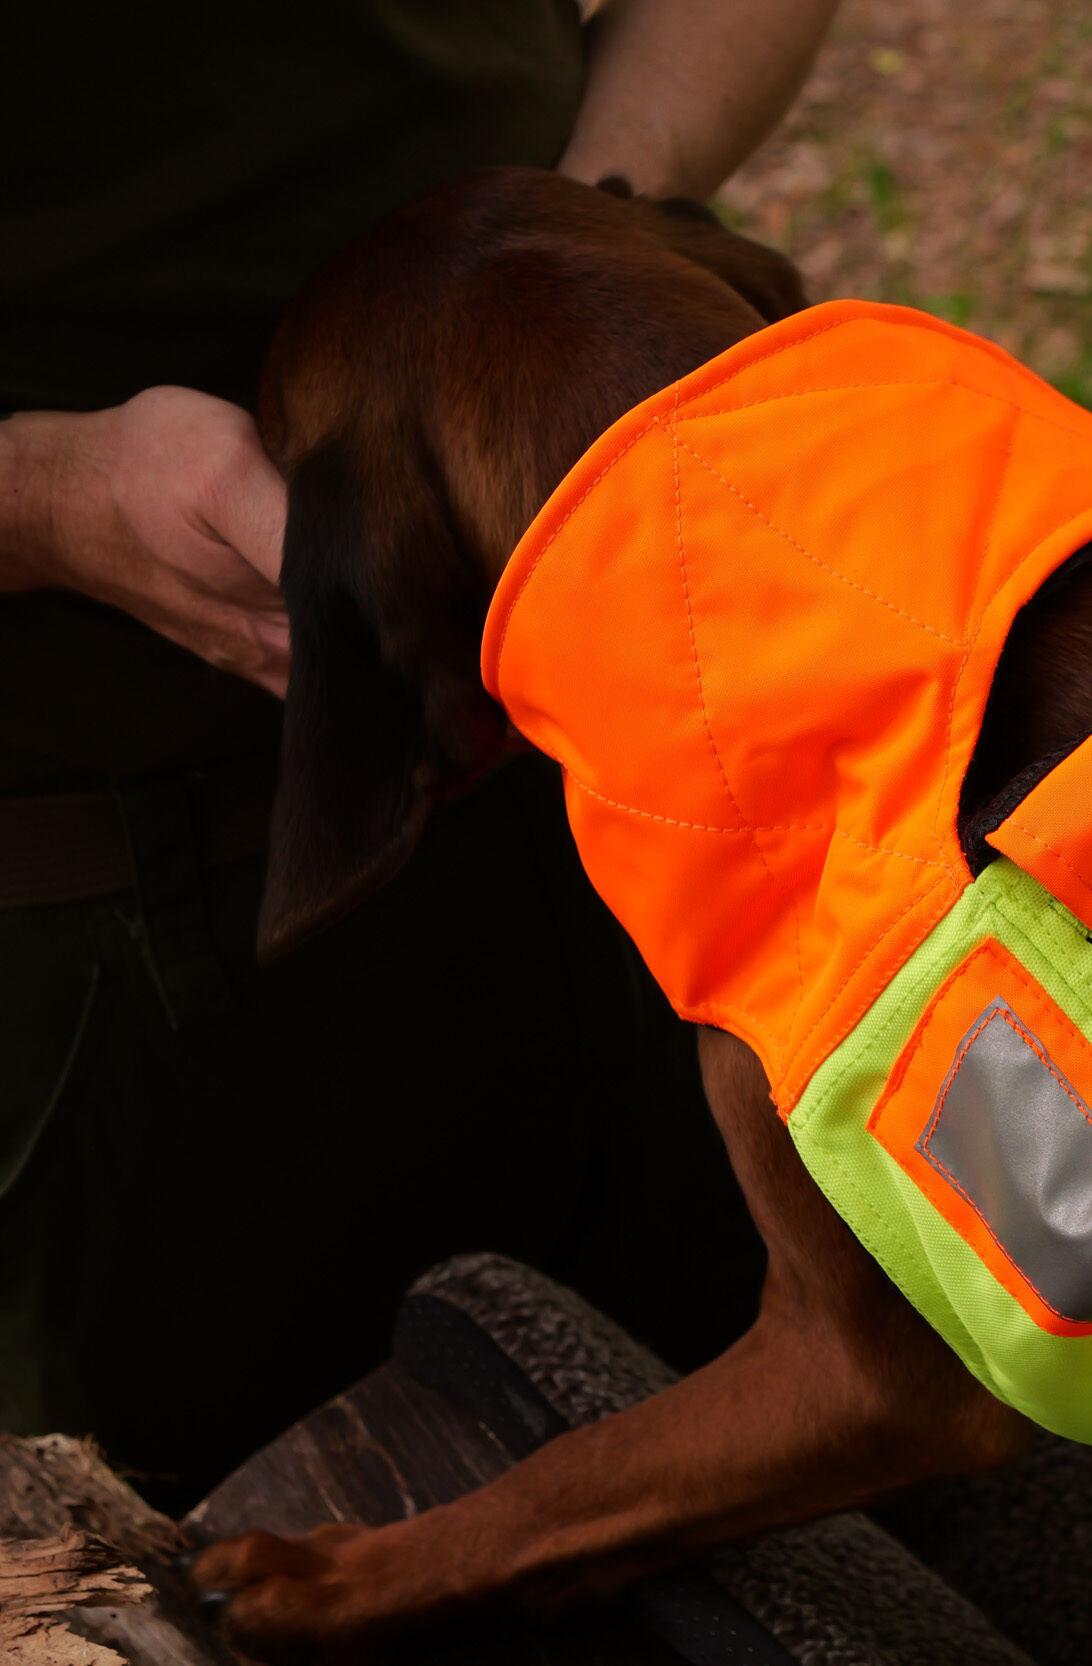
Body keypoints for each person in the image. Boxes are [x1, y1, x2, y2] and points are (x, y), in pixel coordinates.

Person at [0, 0, 835, 1508]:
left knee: (862, 1487)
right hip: (131, 957)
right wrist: (51, 500)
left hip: (666, 758)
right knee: (319, 1561)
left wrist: (590, 218)